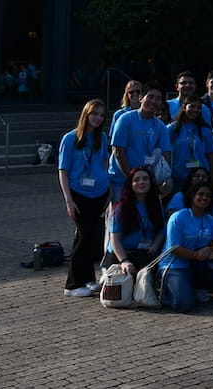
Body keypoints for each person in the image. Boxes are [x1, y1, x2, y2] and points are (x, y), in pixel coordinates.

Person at [58, 98, 111, 297]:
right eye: (94, 114)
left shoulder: (102, 137)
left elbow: (105, 165)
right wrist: (68, 200)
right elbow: (63, 170)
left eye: (101, 115)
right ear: (86, 114)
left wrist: (109, 191)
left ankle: (88, 278)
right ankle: (72, 285)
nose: (97, 118)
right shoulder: (70, 138)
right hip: (79, 194)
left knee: (89, 237)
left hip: (99, 193)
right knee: (85, 236)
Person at [158, 180, 213, 312]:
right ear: (192, 196)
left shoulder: (210, 220)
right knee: (183, 305)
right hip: (175, 265)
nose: (204, 198)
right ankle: (171, 289)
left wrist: (208, 249)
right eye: (200, 194)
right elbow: (174, 248)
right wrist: (195, 255)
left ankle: (192, 287)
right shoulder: (178, 217)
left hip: (198, 265)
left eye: (208, 195)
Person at [104, 167, 166, 281]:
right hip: (124, 252)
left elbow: (161, 231)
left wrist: (155, 246)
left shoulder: (156, 205)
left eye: (145, 179)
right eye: (136, 179)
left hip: (146, 250)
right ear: (130, 184)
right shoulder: (120, 207)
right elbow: (115, 239)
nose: (141, 182)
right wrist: (124, 261)